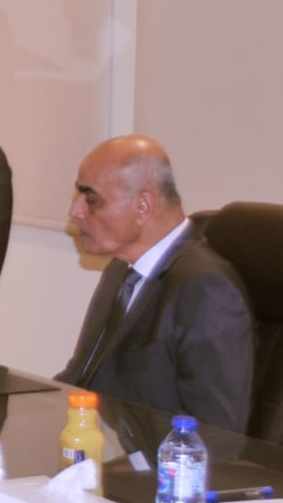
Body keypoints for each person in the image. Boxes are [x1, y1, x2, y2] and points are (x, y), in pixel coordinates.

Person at [56, 135, 253, 432]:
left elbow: (216, 434)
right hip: (100, 448)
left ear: (143, 207)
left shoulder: (206, 290)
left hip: (153, 459)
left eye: (91, 200)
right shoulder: (121, 269)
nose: (76, 211)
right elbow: (81, 375)